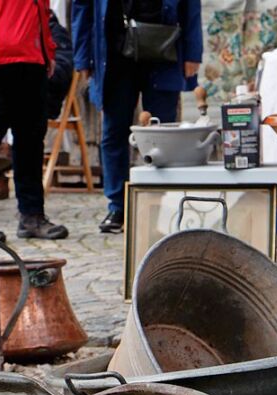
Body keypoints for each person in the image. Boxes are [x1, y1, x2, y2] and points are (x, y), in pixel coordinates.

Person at [71, 0, 202, 233]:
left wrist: (193, 52)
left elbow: (191, 5)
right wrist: (82, 57)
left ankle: (164, 204)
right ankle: (118, 207)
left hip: (164, 46)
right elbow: (82, 6)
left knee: (164, 134)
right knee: (114, 132)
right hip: (113, 53)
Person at [0, 0, 70, 241]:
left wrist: (48, 51)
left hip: (33, 60)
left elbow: (42, 11)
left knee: (31, 140)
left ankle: (32, 215)